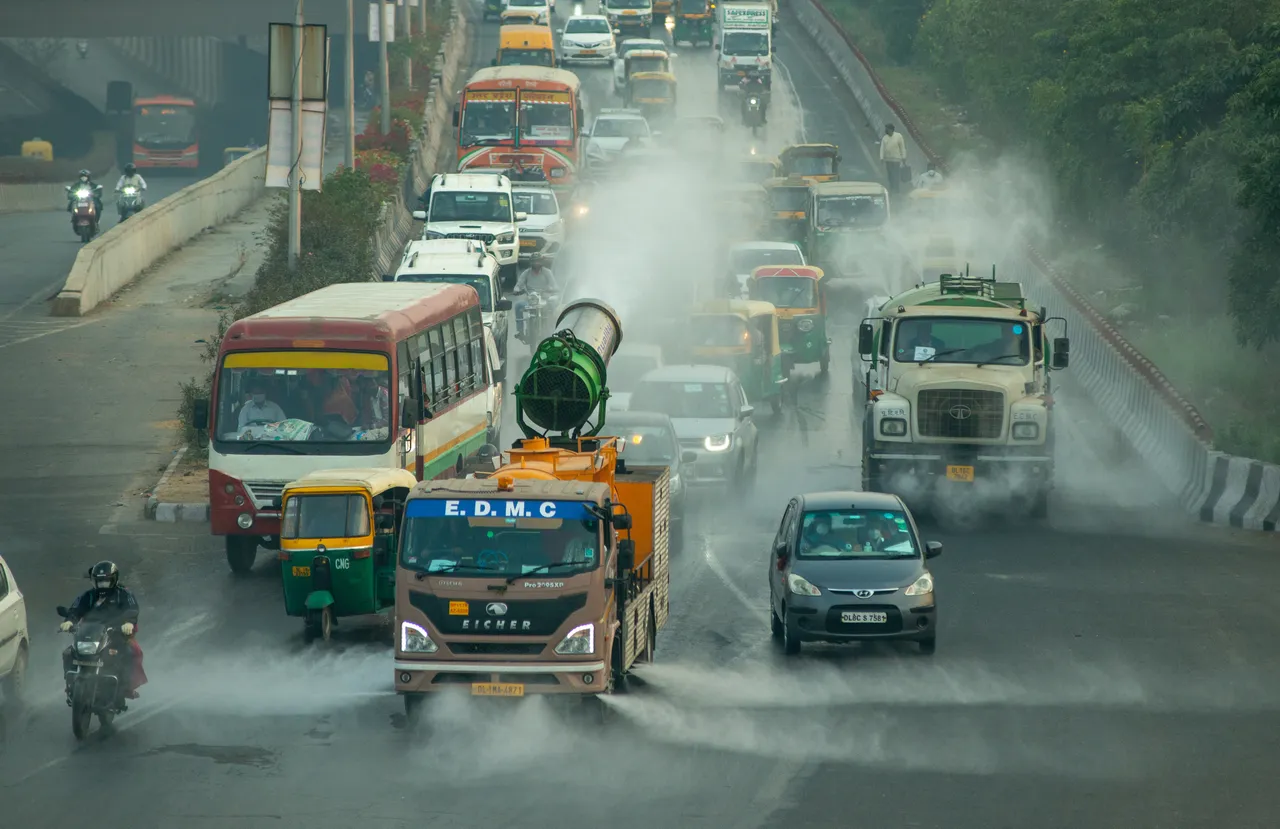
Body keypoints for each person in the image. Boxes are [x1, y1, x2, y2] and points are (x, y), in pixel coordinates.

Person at [59, 561, 146, 704]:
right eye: (100, 582)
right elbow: (76, 609)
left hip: (115, 634)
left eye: (106, 581)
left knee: (132, 652)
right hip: (90, 634)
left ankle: (126, 687)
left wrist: (129, 623)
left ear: (114, 579)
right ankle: (70, 686)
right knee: (68, 654)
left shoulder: (124, 594)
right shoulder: (89, 596)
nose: (102, 585)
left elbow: (132, 609)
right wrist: (69, 621)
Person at [513, 255, 561, 339]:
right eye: (534, 261)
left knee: (553, 304)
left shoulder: (547, 272)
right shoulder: (526, 273)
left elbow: (554, 286)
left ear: (542, 262)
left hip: (544, 299)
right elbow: (518, 285)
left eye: (538, 261)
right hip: (530, 300)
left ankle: (555, 328)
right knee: (518, 306)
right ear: (530, 262)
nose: (536, 263)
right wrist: (516, 290)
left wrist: (551, 290)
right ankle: (520, 331)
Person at [879, 124, 907, 195]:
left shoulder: (898, 136)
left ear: (891, 129)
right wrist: (881, 157)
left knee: (896, 174)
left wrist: (904, 157)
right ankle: (891, 188)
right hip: (888, 160)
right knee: (890, 175)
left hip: (896, 159)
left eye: (887, 129)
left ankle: (896, 189)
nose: (886, 130)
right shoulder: (885, 138)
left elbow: (902, 147)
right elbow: (882, 148)